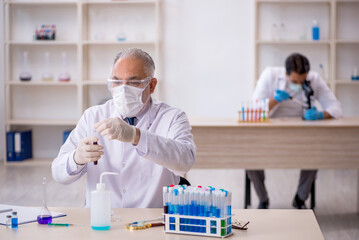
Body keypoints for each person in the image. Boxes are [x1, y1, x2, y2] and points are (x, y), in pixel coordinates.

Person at [52, 48, 196, 208]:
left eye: (134, 82)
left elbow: (186, 161)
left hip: (153, 222)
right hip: (103, 219)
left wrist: (136, 136)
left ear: (152, 85)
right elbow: (58, 174)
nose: (123, 89)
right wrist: (76, 158)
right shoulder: (93, 116)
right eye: (117, 82)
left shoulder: (172, 117)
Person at [248, 53, 342, 209]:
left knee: (316, 154)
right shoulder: (270, 75)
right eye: (294, 81)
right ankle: (263, 200)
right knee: (249, 157)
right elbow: (252, 110)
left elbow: (336, 107)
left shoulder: (315, 79)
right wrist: (274, 101)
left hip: (302, 134)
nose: (298, 85)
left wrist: (321, 114)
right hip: (270, 134)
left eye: (302, 81)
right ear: (285, 74)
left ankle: (300, 198)